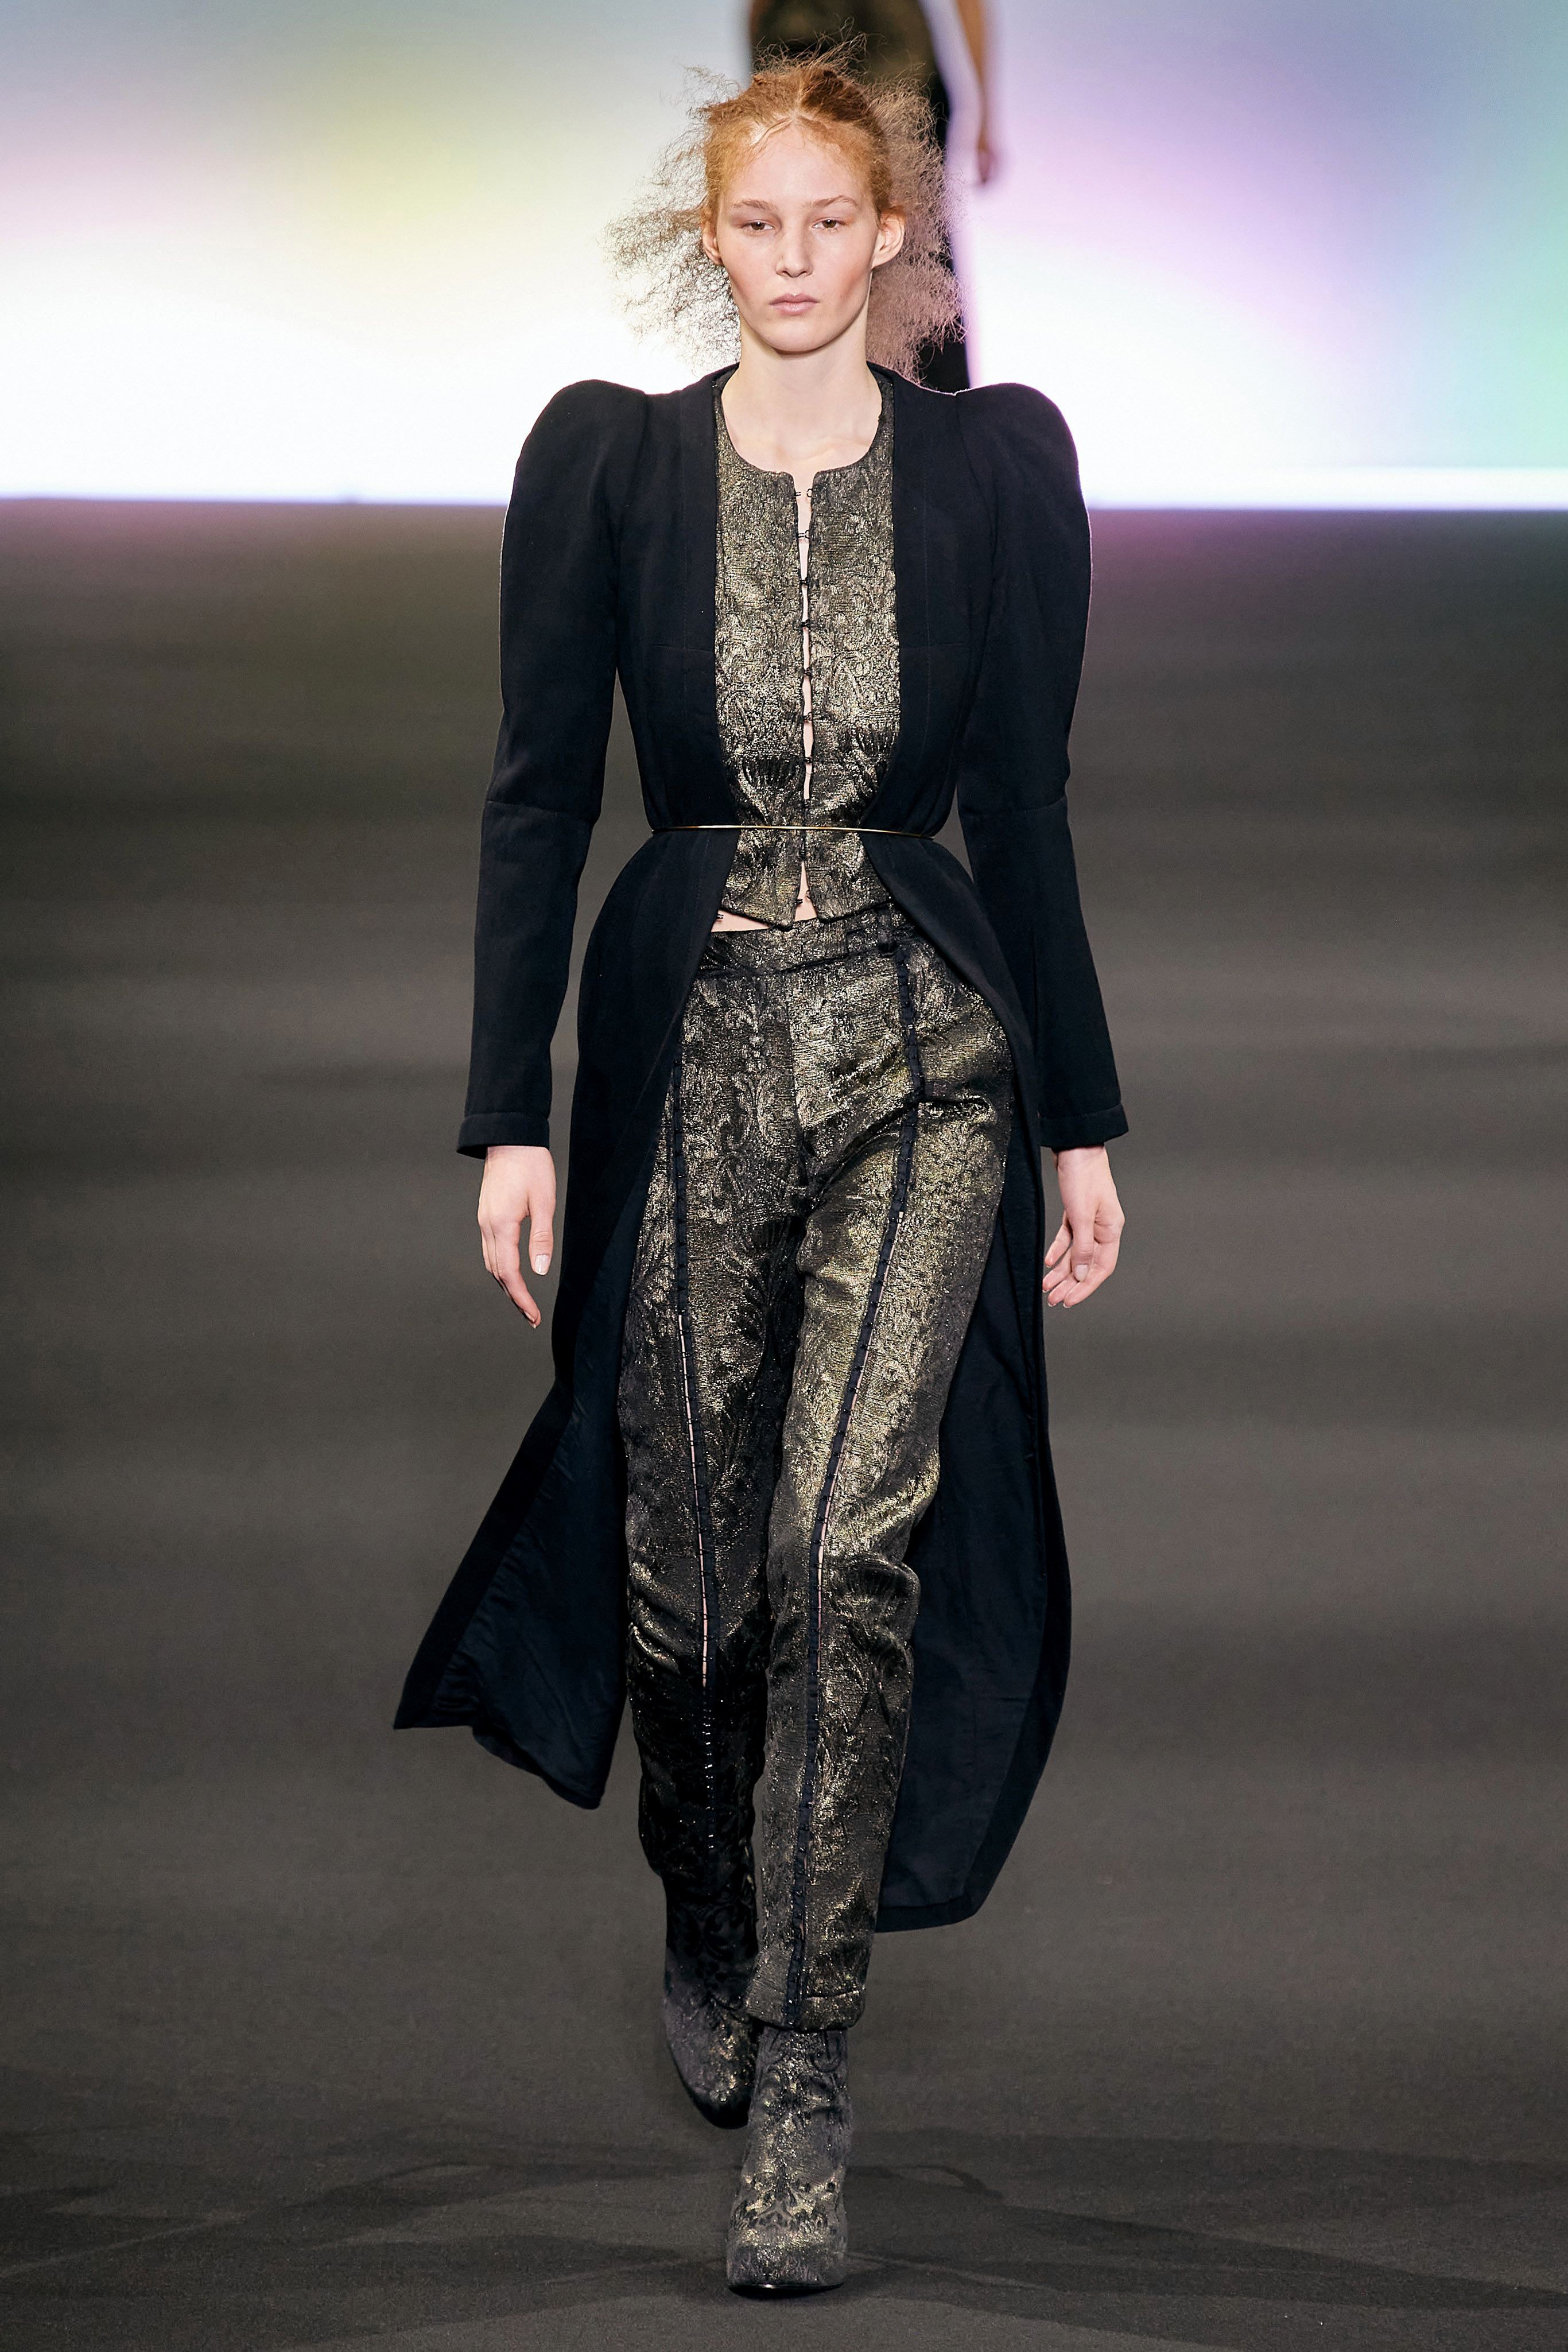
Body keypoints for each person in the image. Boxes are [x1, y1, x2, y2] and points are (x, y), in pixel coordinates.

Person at [395, 55, 1126, 2297]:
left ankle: (807, 2079)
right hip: (692, 1047)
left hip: (926, 1045)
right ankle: (707, 1897)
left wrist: (1081, 1115)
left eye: (832, 220)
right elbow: (539, 791)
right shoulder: (611, 465)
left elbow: (1025, 800)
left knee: (841, 1540)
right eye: (758, 222)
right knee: (694, 1576)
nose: (796, 260)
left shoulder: (990, 470)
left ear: (893, 229)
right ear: (705, 236)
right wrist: (511, 1111)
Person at [749, 0, 995, 388]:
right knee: (814, 242)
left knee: (912, 250)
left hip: (888, 63)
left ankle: (934, 405)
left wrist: (985, 111)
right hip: (811, 54)